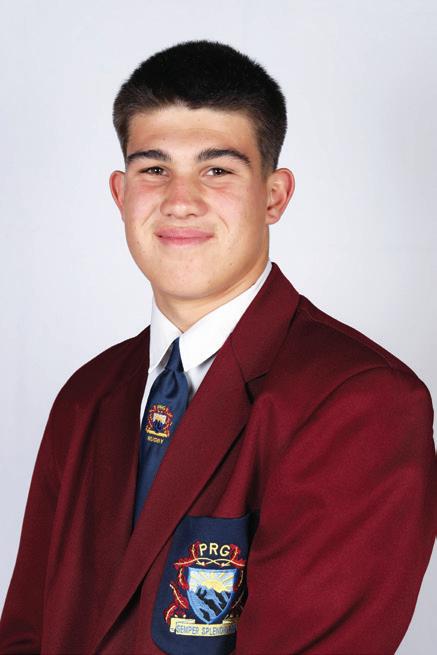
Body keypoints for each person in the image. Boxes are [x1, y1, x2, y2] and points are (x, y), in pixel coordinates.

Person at [0, 39, 436, 655]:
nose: (180, 201)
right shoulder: (86, 396)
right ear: (121, 194)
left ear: (274, 196)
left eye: (218, 170)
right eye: (154, 169)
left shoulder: (362, 404)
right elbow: (25, 632)